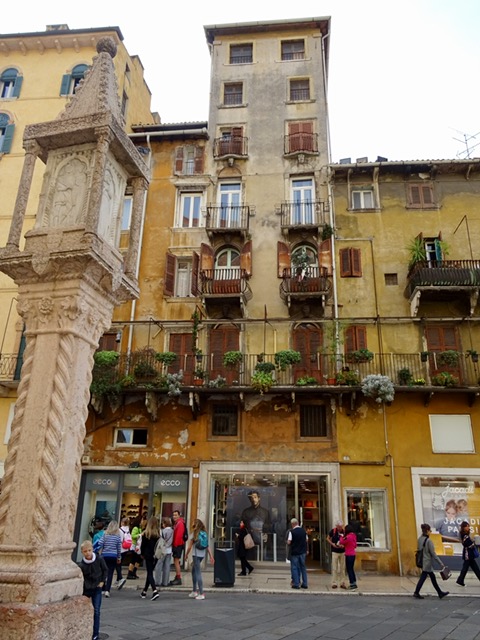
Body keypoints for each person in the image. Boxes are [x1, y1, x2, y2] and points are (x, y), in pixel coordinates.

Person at [78, 540, 108, 640]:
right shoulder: (81, 565)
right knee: (83, 610)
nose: (88, 553)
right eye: (85, 551)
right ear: (82, 552)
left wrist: (102, 582)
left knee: (96, 610)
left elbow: (105, 570)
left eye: (89, 550)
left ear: (92, 550)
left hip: (96, 588)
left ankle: (95, 634)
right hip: (86, 589)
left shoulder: (99, 559)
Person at [413, 523, 449, 599]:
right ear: (427, 531)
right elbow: (433, 554)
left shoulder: (419, 539)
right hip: (427, 562)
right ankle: (416, 592)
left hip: (422, 561)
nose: (431, 532)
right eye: (430, 531)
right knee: (424, 577)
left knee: (432, 577)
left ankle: (439, 593)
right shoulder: (429, 541)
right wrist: (441, 563)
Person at [185, 518, 214, 600]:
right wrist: (211, 556)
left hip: (196, 555)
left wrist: (186, 554)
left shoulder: (194, 534)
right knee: (193, 571)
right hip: (202, 555)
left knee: (198, 573)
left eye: (193, 523)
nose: (192, 524)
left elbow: (189, 547)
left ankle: (201, 593)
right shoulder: (204, 533)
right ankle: (194, 590)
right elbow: (207, 546)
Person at [97, 520, 122, 598]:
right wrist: (119, 557)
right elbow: (119, 548)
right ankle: (107, 590)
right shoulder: (117, 537)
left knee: (104, 572)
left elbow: (100, 543)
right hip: (113, 556)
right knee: (110, 573)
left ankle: (103, 588)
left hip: (105, 555)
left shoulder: (105, 535)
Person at [140, 516, 161, 600]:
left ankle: (154, 591)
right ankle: (144, 591)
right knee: (150, 573)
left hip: (148, 555)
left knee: (149, 573)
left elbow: (143, 546)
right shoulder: (158, 534)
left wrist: (142, 554)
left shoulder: (146, 534)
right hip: (155, 555)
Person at [456, 520, 480, 586]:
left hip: (469, 555)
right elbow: (467, 544)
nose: (468, 527)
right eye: (467, 526)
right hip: (468, 555)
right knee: (473, 568)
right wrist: (473, 543)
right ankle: (460, 580)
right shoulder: (464, 535)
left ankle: (460, 580)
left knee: (469, 568)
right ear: (464, 527)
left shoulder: (465, 534)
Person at [287, 517, 308, 589]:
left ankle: (296, 583)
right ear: (298, 523)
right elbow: (306, 540)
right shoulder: (303, 531)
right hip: (302, 552)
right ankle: (305, 583)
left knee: (295, 567)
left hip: (295, 552)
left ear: (292, 524)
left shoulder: (292, 532)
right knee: (303, 568)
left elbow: (289, 542)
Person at [327, 520, 347, 590]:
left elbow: (347, 541)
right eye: (338, 527)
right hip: (335, 551)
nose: (339, 528)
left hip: (342, 551)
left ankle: (342, 582)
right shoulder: (333, 531)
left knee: (342, 568)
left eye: (340, 527)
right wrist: (332, 544)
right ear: (336, 526)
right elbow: (327, 538)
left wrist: (344, 545)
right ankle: (334, 583)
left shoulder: (344, 532)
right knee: (334, 568)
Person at [155, 516, 174, 587]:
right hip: (169, 550)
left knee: (159, 565)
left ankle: (157, 581)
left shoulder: (163, 531)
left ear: (165, 523)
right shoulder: (172, 531)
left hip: (162, 550)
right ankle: (165, 582)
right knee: (167, 566)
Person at [169, 509, 187, 586]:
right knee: (176, 561)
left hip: (178, 545)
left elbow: (178, 536)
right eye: (173, 515)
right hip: (178, 545)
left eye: (176, 515)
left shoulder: (180, 524)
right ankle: (177, 576)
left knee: (176, 562)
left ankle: (178, 578)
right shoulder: (178, 523)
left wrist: (175, 545)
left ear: (179, 515)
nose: (174, 516)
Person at [340, 524, 358, 590]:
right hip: (353, 554)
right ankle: (354, 582)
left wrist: (341, 536)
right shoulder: (354, 536)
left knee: (349, 569)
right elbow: (355, 545)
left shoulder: (348, 537)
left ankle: (352, 584)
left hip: (349, 555)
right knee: (351, 569)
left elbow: (342, 541)